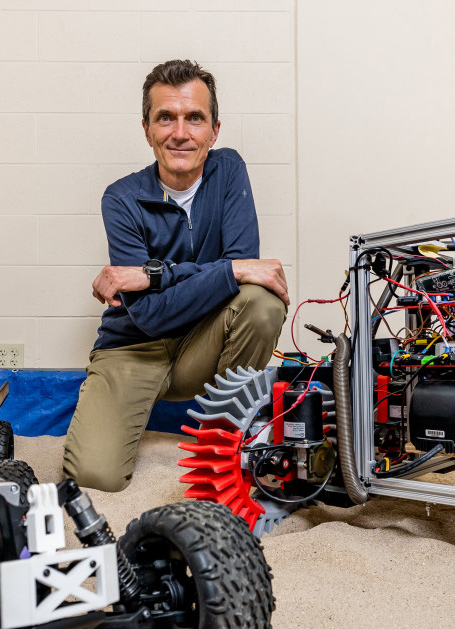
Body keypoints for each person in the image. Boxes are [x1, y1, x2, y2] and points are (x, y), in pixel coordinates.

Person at [62, 59, 289, 492]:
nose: (180, 133)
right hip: (133, 348)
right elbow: (149, 317)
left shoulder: (229, 171)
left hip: (203, 342)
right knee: (94, 477)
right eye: (165, 118)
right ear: (147, 129)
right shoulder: (122, 198)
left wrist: (151, 274)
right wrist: (227, 268)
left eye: (194, 119)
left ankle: (225, 445)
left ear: (214, 130)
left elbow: (246, 278)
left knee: (261, 303)